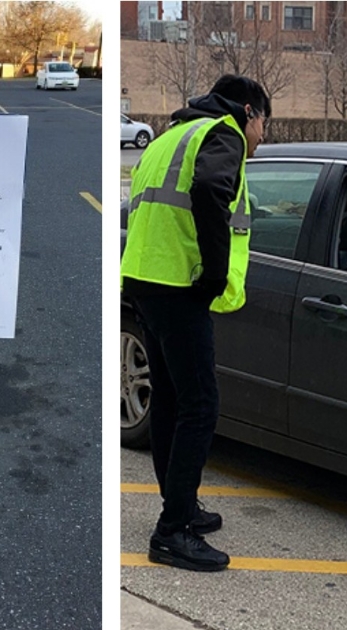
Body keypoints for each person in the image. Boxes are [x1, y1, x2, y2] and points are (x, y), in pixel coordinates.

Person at [121, 75, 270, 572]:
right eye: (264, 124)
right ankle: (172, 531)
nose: (261, 136)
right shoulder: (221, 133)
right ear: (249, 111)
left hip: (144, 280)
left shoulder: (170, 137)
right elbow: (210, 190)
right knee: (200, 405)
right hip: (178, 286)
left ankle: (180, 508)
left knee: (171, 399)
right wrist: (215, 271)